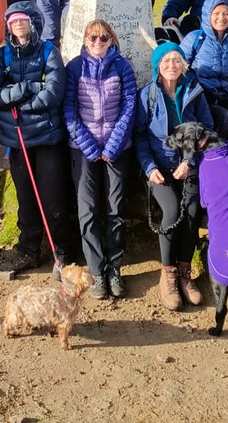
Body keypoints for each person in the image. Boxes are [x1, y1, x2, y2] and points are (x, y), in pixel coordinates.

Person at [0, 2, 72, 279]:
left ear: (33, 22)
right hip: (18, 139)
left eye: (23, 21)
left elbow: (55, 93)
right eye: (13, 22)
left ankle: (62, 251)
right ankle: (28, 249)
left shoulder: (49, 51)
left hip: (46, 137)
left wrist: (18, 103)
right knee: (25, 197)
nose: (18, 25)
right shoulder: (3, 56)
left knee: (53, 197)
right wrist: (28, 89)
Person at [134, 42, 215, 311]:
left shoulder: (194, 91)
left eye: (177, 60)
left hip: (189, 166)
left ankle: (184, 270)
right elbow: (140, 136)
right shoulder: (147, 95)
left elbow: (206, 129)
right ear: (158, 65)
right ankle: (167, 273)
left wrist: (189, 161)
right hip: (158, 169)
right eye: (166, 60)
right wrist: (149, 168)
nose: (172, 65)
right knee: (170, 212)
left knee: (192, 210)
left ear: (183, 65)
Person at [63, 19, 138, 300]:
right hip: (82, 149)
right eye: (93, 37)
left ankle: (114, 268)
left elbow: (129, 107)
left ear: (112, 40)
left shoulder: (123, 67)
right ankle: (96, 271)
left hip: (118, 149)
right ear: (84, 40)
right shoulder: (74, 68)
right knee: (87, 210)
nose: (98, 42)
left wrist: (114, 144)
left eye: (104, 38)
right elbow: (69, 111)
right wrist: (91, 148)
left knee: (115, 208)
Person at [178, 0, 228, 150]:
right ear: (207, 15)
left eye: (226, 14)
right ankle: (210, 160)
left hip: (225, 97)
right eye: (216, 13)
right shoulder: (195, 39)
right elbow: (181, 70)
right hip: (200, 98)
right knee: (224, 118)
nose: (221, 18)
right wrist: (200, 90)